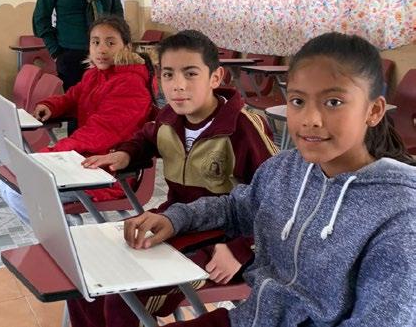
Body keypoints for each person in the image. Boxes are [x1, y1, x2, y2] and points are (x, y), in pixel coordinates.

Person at [124, 32, 416, 327]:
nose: (310, 119)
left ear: (373, 111)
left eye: (334, 102)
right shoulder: (285, 168)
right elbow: (235, 208)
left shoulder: (399, 213)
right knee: (114, 293)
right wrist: (175, 218)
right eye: (298, 101)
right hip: (250, 318)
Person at [69, 30, 278, 327]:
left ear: (215, 77)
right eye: (168, 74)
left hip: (224, 244)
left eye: (190, 74)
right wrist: (125, 154)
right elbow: (145, 138)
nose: (178, 85)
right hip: (174, 222)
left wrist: (240, 249)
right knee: (87, 275)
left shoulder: (244, 127)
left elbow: (278, 202)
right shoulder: (168, 118)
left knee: (122, 295)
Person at [0, 15, 156, 224]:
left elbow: (99, 132)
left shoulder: (131, 83)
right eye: (95, 42)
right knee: (9, 183)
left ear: (126, 46)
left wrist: (52, 154)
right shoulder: (94, 75)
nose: (101, 49)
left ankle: (66, 235)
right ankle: (65, 230)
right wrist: (51, 106)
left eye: (110, 43)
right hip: (84, 161)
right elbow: (72, 97)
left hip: (109, 172)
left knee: (19, 191)